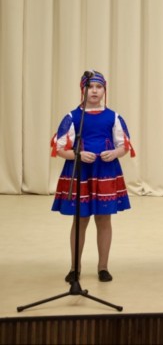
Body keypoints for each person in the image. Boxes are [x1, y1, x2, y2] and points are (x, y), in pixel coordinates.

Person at [51, 70, 134, 283]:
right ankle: (75, 267)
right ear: (83, 90)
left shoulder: (113, 117)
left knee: (104, 219)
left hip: (105, 172)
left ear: (104, 90)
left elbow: (124, 146)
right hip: (81, 172)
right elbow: (59, 148)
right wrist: (77, 155)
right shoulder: (72, 117)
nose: (94, 91)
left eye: (99, 87)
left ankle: (103, 267)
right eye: (90, 87)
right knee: (80, 219)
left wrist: (114, 153)